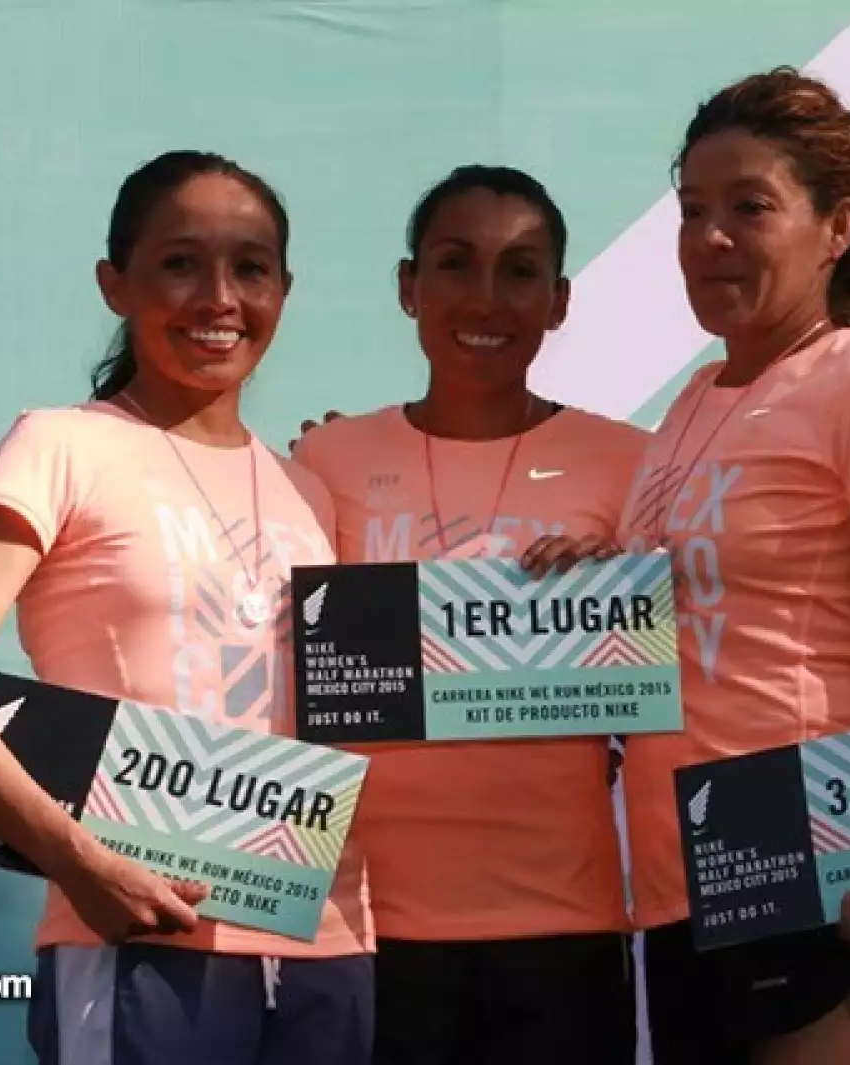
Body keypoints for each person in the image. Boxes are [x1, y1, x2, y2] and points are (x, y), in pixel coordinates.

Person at [0, 150, 375, 1065]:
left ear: (286, 289)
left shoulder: (315, 490)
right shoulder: (61, 445)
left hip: (325, 943)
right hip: (140, 936)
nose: (219, 296)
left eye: (250, 267)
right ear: (116, 283)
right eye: (181, 262)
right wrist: (79, 861)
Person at [529, 68, 850, 1064]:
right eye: (691, 211)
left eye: (749, 207)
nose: (710, 237)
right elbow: (718, 593)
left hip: (820, 864)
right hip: (690, 876)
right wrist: (612, 574)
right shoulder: (693, 400)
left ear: (837, 226)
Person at [290, 164, 646, 1065]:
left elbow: (675, 683)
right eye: (455, 263)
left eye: (520, 270)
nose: (487, 297)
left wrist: (625, 604)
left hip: (566, 925)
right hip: (363, 925)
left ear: (560, 300)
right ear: (409, 286)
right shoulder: (326, 457)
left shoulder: (634, 464)